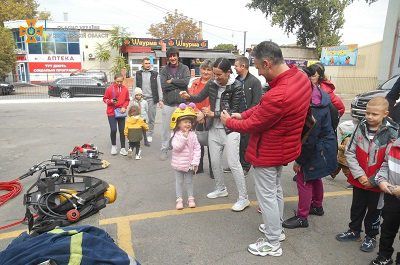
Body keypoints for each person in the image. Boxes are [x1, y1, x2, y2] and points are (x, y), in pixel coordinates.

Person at [220, 41, 312, 257]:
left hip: (268, 151)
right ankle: (276, 230)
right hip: (283, 147)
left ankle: (272, 242)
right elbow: (263, 108)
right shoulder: (299, 78)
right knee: (275, 190)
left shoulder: (279, 94)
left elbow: (255, 124)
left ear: (267, 63)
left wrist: (229, 121)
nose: (259, 73)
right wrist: (242, 114)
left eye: (259, 68)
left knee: (267, 196)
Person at [180, 58, 250, 212]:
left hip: (231, 129)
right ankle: (220, 188)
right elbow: (199, 97)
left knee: (233, 163)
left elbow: (234, 110)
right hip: (213, 129)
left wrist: (213, 113)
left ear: (228, 73)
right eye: (214, 75)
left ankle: (243, 198)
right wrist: (188, 97)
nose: (216, 78)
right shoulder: (212, 84)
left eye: (219, 75)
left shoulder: (237, 86)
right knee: (215, 162)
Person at [336, 97, 398, 253]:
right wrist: (360, 175)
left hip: (378, 183)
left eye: (375, 114)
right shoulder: (360, 127)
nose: (370, 117)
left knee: (374, 211)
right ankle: (354, 230)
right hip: (359, 179)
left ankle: (371, 236)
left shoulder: (392, 132)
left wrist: (373, 180)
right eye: (368, 113)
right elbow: (350, 152)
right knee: (357, 207)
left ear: (385, 113)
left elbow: (389, 161)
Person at [282, 66, 337, 229]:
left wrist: (299, 160)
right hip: (325, 145)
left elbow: (309, 138)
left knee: (304, 177)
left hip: (317, 147)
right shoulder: (319, 95)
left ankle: (302, 217)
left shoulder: (313, 105)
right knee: (315, 176)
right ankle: (317, 206)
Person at [369, 138, 400, 265]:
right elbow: (385, 165)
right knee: (388, 227)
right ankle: (384, 256)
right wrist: (381, 180)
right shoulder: (393, 144)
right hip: (392, 196)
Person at [160, 47, 191, 161]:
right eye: (170, 56)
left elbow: (186, 82)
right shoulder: (164, 70)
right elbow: (164, 85)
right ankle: (164, 149)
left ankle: (181, 149)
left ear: (178, 56)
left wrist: (172, 81)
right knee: (166, 128)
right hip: (168, 103)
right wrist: (179, 84)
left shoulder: (185, 68)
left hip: (182, 104)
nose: (172, 58)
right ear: (168, 58)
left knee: (182, 128)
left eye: (174, 55)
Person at [234, 56, 262, 174]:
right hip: (236, 117)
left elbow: (256, 102)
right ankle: (236, 164)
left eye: (236, 65)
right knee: (236, 142)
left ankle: (245, 166)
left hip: (248, 118)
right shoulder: (236, 80)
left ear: (243, 66)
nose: (234, 68)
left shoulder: (255, 82)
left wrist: (245, 115)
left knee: (246, 142)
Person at [169, 103, 201, 210]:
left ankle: (190, 198)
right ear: (178, 124)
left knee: (189, 181)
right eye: (185, 122)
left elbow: (197, 148)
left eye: (189, 122)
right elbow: (177, 148)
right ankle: (179, 199)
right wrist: (184, 137)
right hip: (178, 165)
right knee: (179, 182)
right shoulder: (175, 135)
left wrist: (195, 162)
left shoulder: (193, 134)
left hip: (189, 165)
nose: (188, 124)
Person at [188, 59, 214, 177]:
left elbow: (215, 100)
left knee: (212, 144)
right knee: (197, 143)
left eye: (209, 70)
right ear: (200, 69)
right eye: (204, 69)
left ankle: (213, 169)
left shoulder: (214, 83)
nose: (206, 72)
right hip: (196, 115)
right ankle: (199, 167)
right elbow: (191, 98)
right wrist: (197, 113)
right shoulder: (194, 82)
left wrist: (204, 114)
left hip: (210, 115)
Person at [135, 57, 164, 144]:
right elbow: (135, 87)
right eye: (146, 63)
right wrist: (133, 98)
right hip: (141, 100)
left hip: (152, 99)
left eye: (149, 63)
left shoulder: (155, 74)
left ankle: (150, 134)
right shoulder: (138, 74)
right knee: (140, 118)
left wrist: (160, 99)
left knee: (151, 118)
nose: (148, 65)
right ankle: (140, 133)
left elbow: (159, 87)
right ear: (142, 64)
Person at [103, 74, 130, 156]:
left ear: (123, 80)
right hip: (111, 111)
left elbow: (127, 100)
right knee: (114, 129)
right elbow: (105, 99)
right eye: (117, 81)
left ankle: (122, 148)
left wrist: (124, 107)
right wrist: (110, 101)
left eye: (121, 81)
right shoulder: (109, 89)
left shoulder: (125, 89)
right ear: (114, 80)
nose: (119, 83)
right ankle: (114, 146)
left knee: (122, 130)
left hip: (121, 112)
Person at [331, 120, 356, 189]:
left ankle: (353, 182)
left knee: (346, 171)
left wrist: (338, 147)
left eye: (341, 130)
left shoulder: (347, 139)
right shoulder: (345, 137)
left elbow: (346, 148)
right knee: (337, 166)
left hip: (345, 159)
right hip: (341, 158)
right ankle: (333, 173)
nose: (340, 132)